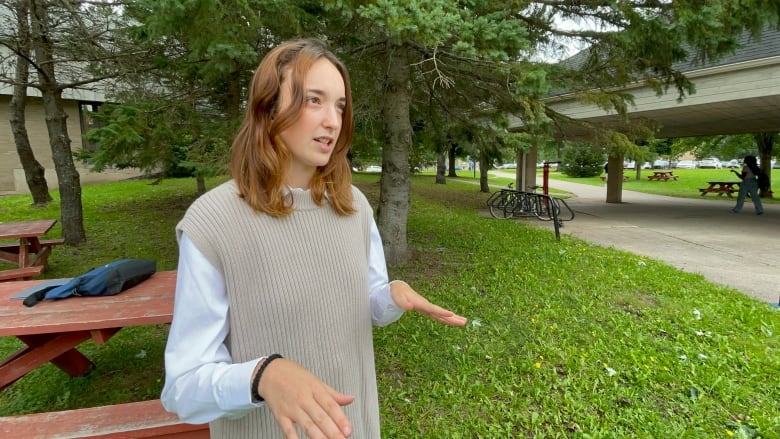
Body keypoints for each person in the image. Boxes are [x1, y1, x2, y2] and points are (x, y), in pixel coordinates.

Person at [160, 38, 467, 439]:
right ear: (268, 108)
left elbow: (364, 302)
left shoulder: (353, 206)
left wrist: (391, 294)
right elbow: (183, 387)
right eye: (313, 100)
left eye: (339, 105)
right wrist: (262, 377)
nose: (333, 121)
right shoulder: (212, 223)